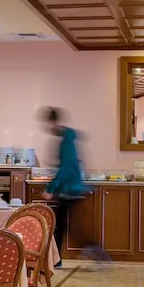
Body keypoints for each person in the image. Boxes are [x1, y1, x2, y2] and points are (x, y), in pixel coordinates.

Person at [40, 107, 110, 267]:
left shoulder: (66, 141)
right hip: (72, 187)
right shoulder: (68, 138)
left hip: (69, 190)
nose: (47, 128)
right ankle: (91, 253)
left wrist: (50, 188)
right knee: (68, 226)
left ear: (53, 122)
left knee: (62, 226)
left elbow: (65, 168)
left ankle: (63, 259)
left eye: (47, 124)